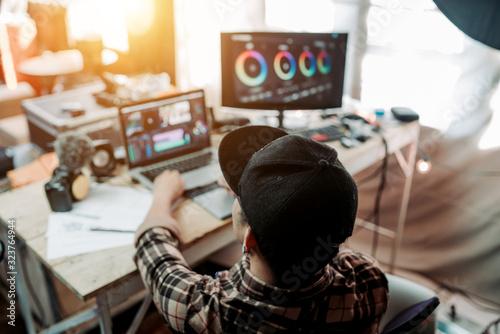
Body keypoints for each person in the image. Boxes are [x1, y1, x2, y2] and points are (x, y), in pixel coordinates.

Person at [134, 126, 389, 333]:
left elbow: (157, 260)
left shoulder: (211, 313)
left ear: (249, 238)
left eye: (238, 197)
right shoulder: (369, 281)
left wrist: (162, 195)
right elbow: (320, 232)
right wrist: (261, 192)